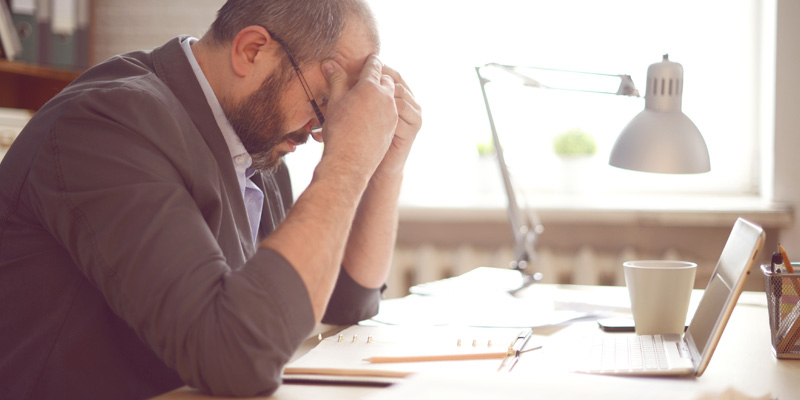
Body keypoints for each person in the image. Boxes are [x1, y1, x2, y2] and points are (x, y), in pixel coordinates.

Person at [0, 0, 421, 398]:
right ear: (252, 50)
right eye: (324, 101)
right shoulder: (107, 123)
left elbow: (344, 301)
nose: (321, 132)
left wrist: (386, 165)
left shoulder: (255, 145)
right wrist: (346, 162)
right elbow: (235, 357)